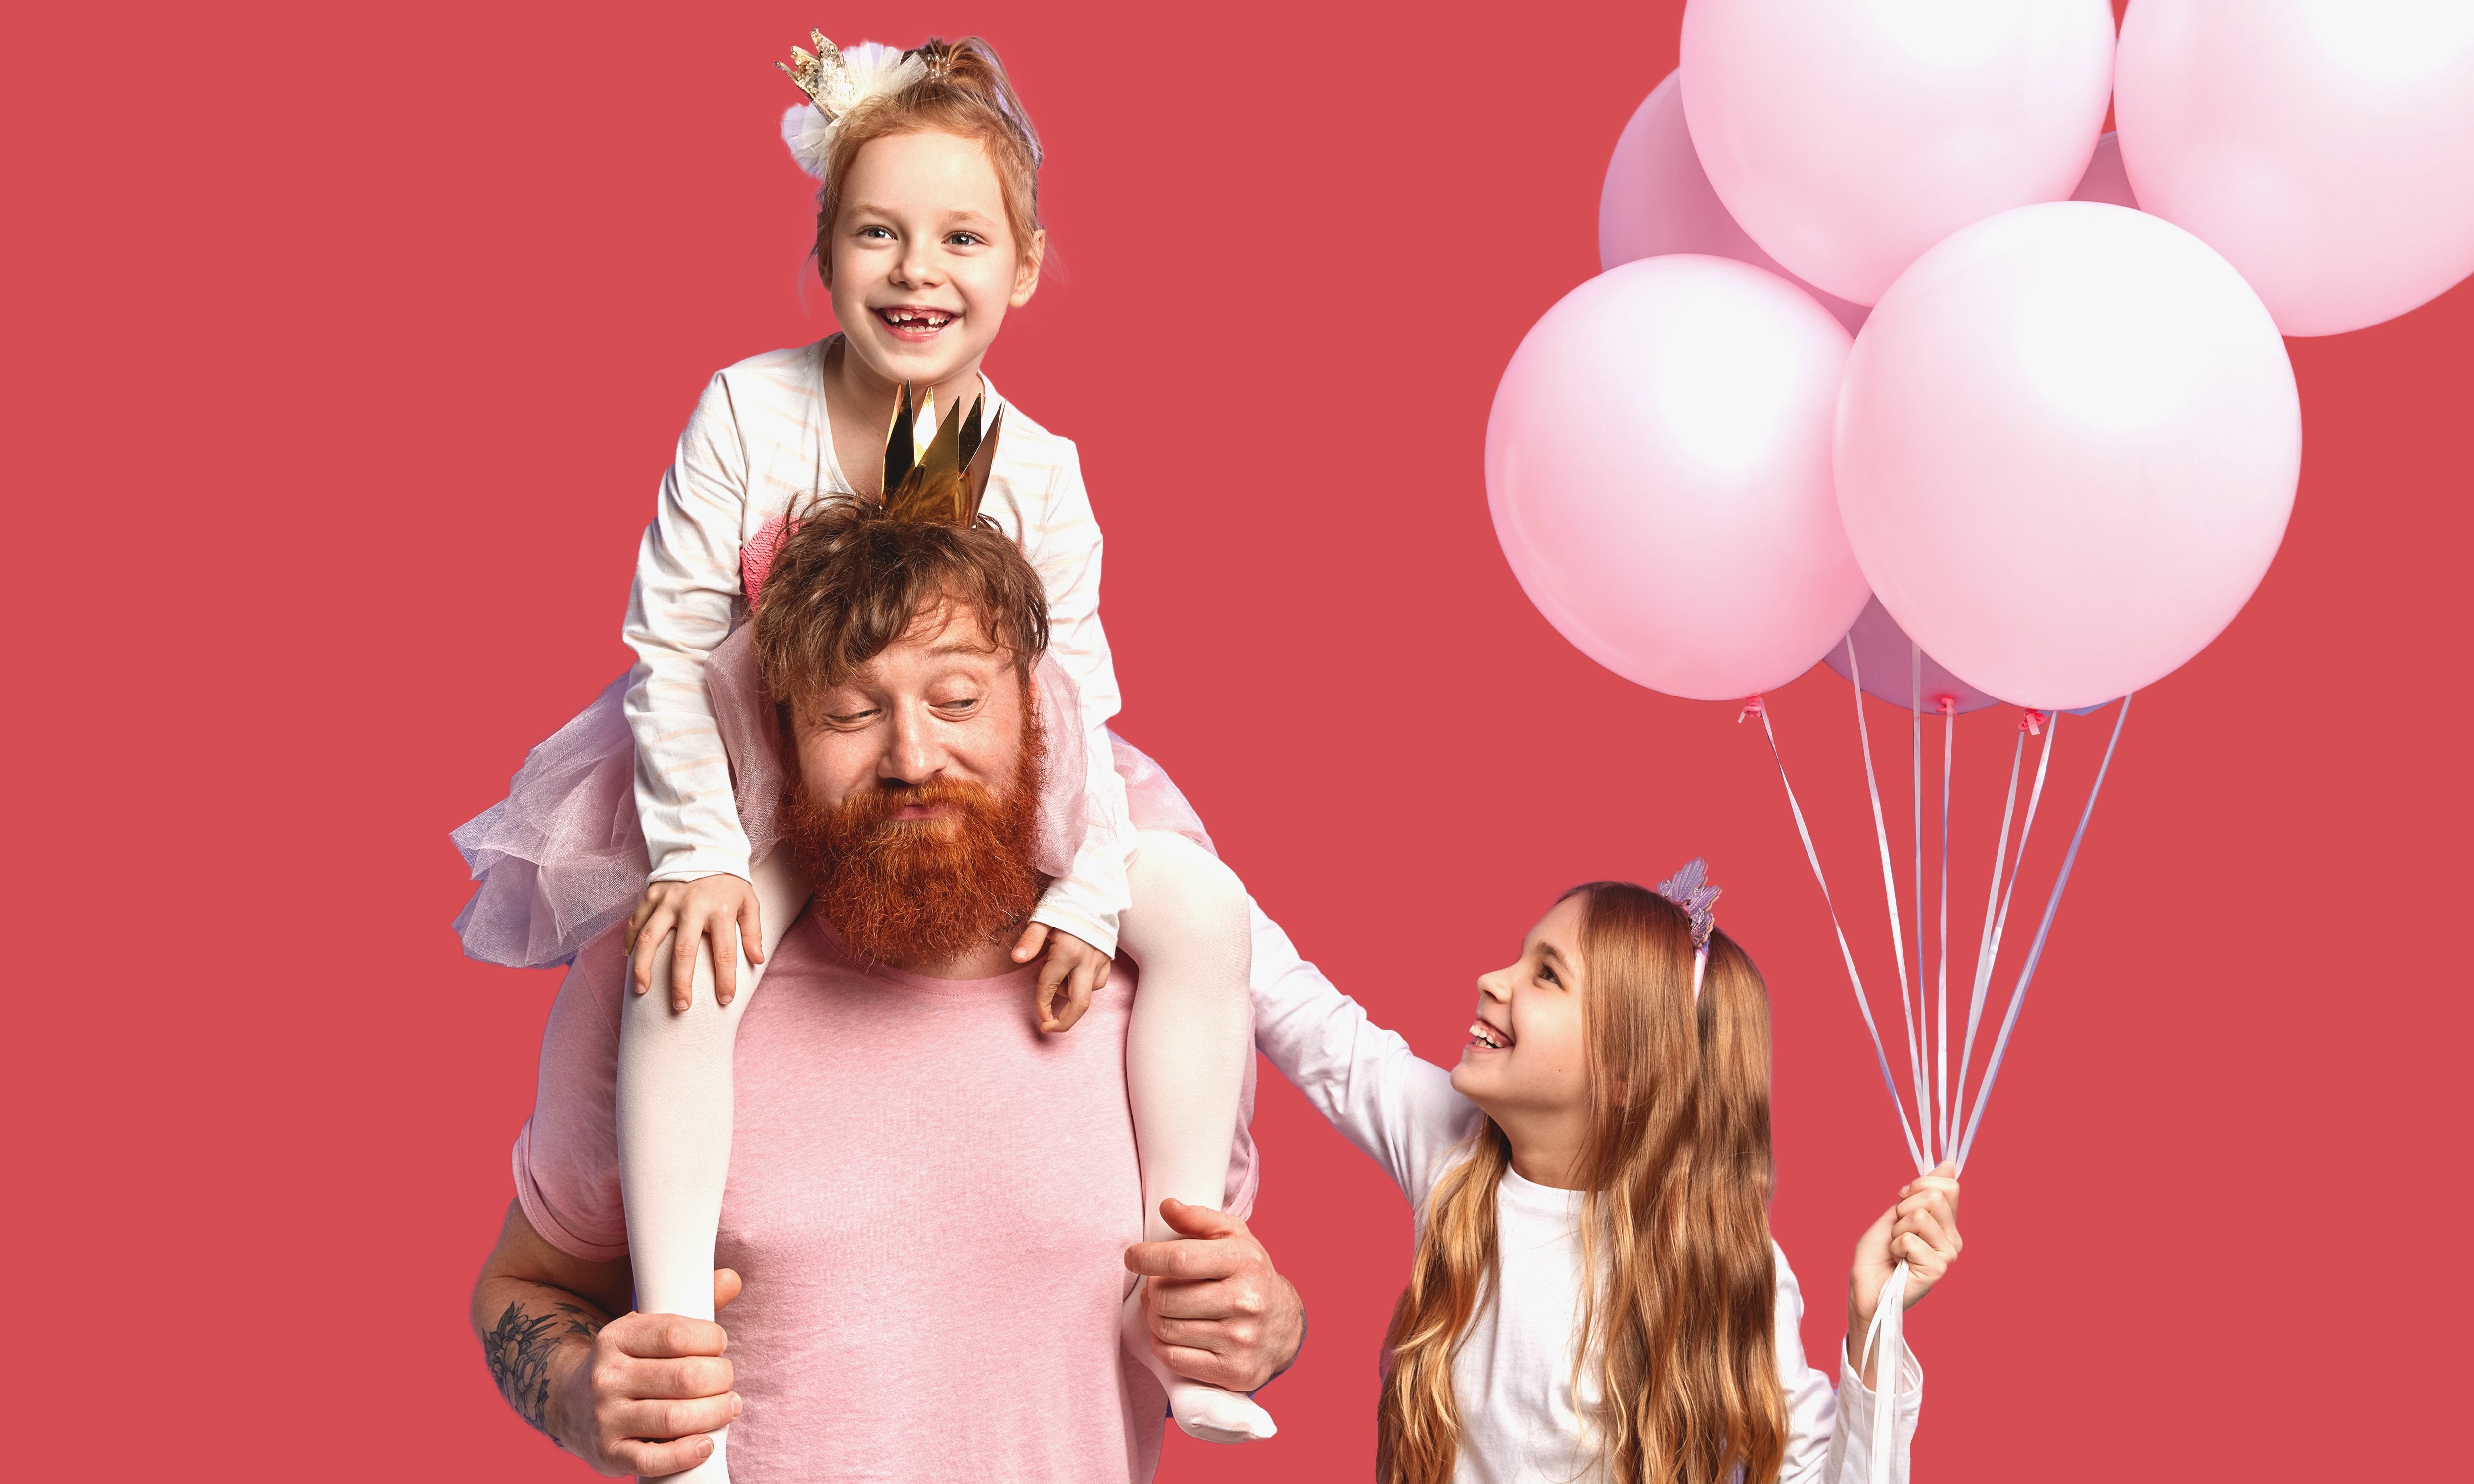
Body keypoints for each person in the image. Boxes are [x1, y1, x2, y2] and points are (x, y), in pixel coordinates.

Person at [449, 32, 1271, 1455]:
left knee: (1198, 906)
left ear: (1022, 268)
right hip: (743, 760)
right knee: (684, 968)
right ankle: (677, 1361)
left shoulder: (1047, 469)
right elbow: (663, 646)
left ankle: (1175, 1291)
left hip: (1045, 788)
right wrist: (705, 857)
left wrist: (1086, 888)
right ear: (824, 248)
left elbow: (1079, 688)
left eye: (962, 237)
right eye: (877, 233)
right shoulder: (745, 411)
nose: (917, 271)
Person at [469, 492, 1304, 1481]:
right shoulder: (674, 965)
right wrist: (575, 1391)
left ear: (1036, 711)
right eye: (851, 713)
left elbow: (1204, 1288)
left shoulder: (1147, 982)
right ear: (778, 734)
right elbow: (527, 1287)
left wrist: (1268, 1327)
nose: (912, 759)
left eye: (957, 700)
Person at [1247, 868, 1964, 1484]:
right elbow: (1300, 1012)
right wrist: (1143, 818)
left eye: (1547, 974)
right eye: (1521, 958)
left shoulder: (1723, 1263)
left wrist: (1874, 1326)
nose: (1493, 979)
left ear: (1626, 1073)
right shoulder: (1454, 1151)